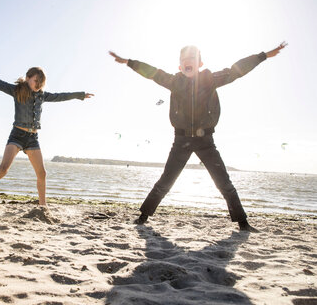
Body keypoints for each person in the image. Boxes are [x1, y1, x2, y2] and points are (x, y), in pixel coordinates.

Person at [109, 42, 287, 232]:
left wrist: (263, 56)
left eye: (192, 59)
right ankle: (143, 217)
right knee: (166, 181)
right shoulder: (174, 82)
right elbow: (152, 72)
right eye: (184, 60)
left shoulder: (209, 79)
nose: (188, 62)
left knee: (224, 182)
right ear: (179, 66)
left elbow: (236, 70)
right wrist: (129, 62)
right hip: (181, 141)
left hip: (206, 142)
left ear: (200, 63)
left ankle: (243, 223)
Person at [0, 61, 94, 207]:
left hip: (32, 139)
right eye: (36, 81)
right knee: (3, 169)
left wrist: (80, 95)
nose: (38, 85)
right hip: (17, 135)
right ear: (28, 78)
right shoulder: (16, 90)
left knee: (42, 173)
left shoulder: (42, 95)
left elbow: (60, 96)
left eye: (41, 83)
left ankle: (43, 207)